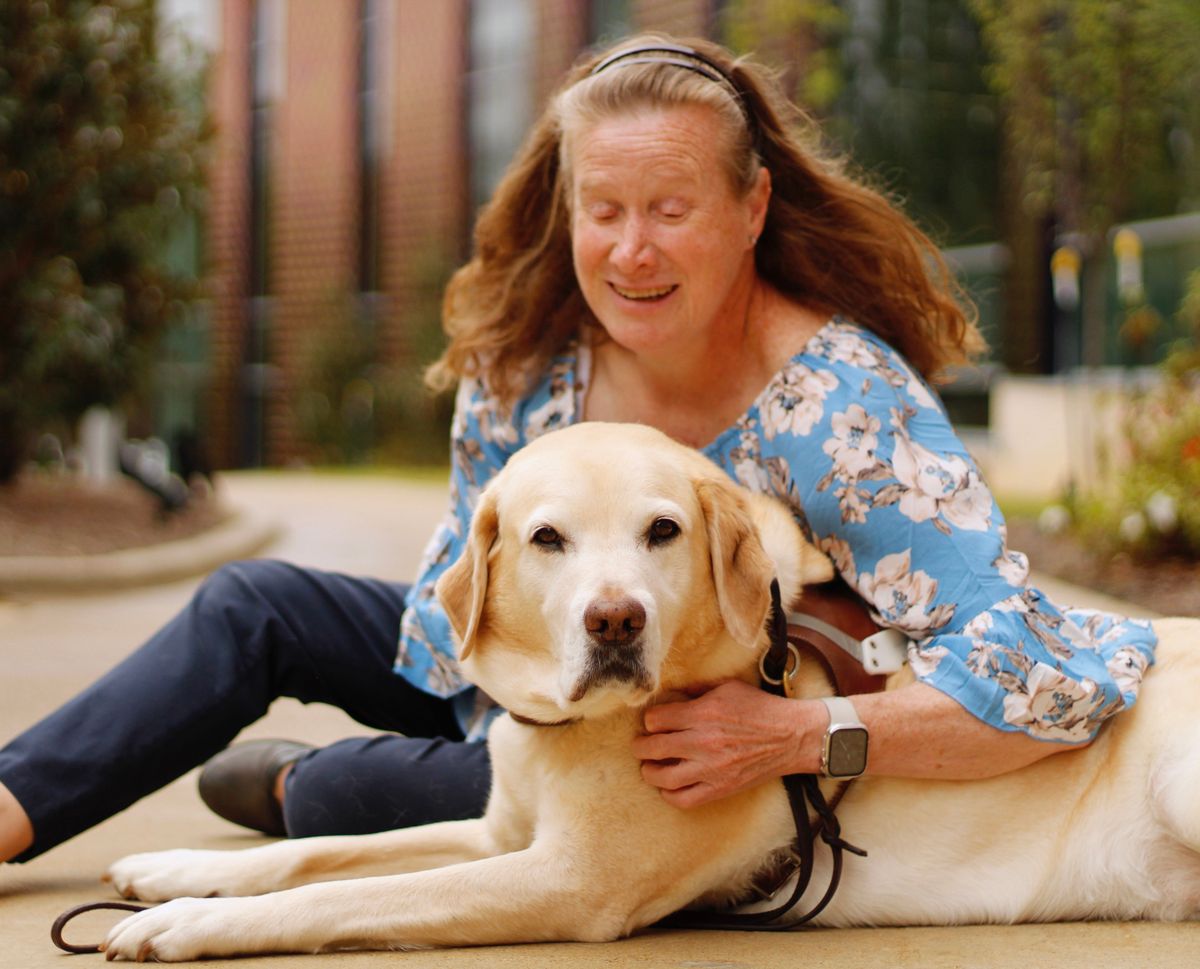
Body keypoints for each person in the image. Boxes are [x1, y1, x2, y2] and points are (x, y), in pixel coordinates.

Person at [0, 33, 1157, 867]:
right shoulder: (525, 361)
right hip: (509, 680)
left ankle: (316, 788)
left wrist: (798, 736)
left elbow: (1040, 675)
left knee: (356, 789)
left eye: (672, 208)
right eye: (604, 209)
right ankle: (14, 806)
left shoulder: (843, 406)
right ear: (567, 209)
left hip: (664, 745)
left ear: (752, 208)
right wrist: (487, 697)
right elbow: (463, 600)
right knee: (249, 603)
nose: (631, 250)